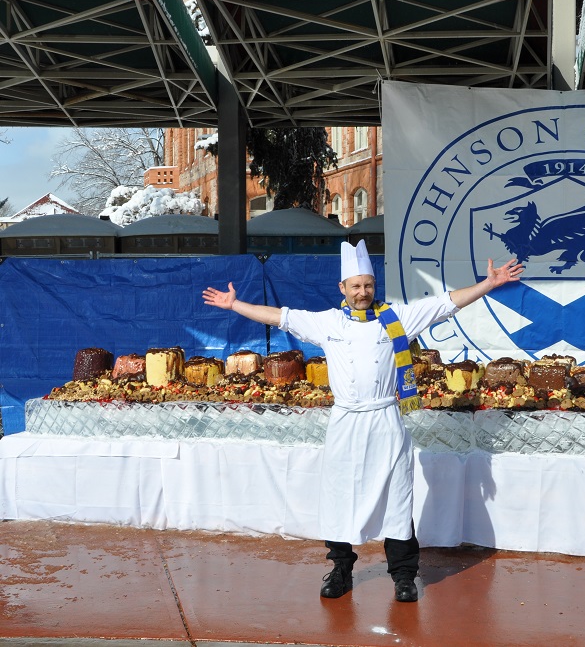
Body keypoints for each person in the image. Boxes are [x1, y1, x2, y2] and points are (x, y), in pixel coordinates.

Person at [202, 240, 523, 602]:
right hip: (346, 423)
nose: (362, 292)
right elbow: (279, 316)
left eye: (368, 285)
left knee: (397, 498)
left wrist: (488, 284)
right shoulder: (326, 322)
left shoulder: (397, 318)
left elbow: (445, 303)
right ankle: (341, 570)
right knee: (340, 496)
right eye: (355, 286)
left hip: (386, 420)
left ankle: (404, 576)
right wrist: (235, 305)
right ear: (342, 288)